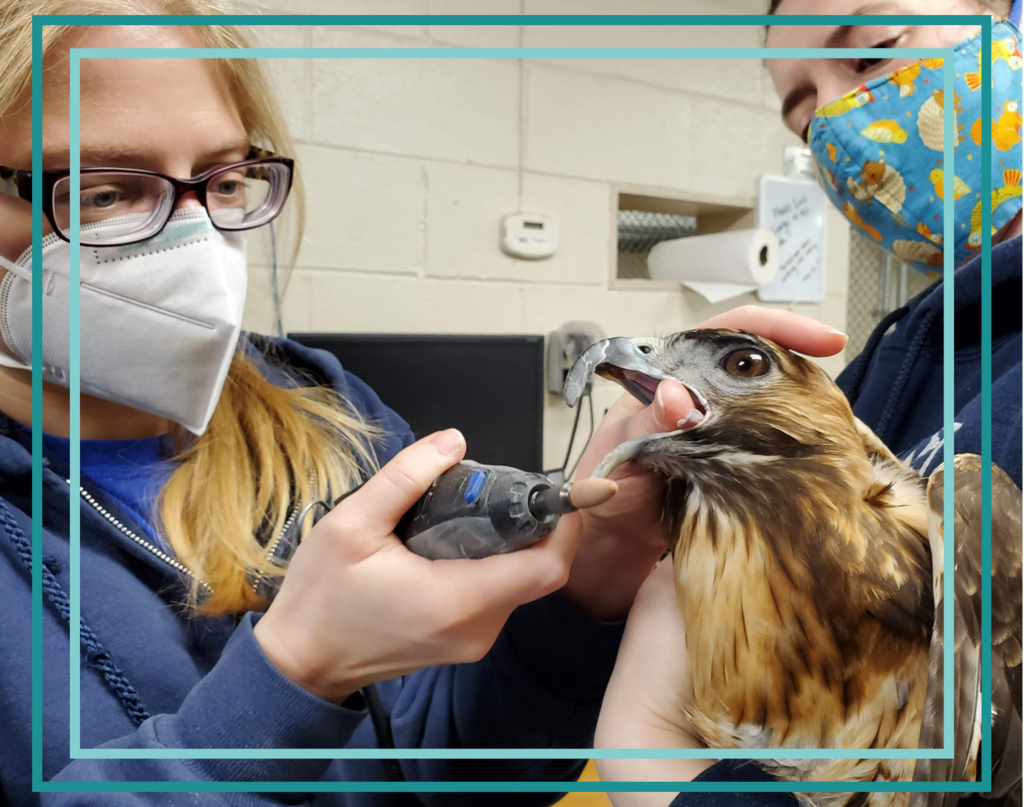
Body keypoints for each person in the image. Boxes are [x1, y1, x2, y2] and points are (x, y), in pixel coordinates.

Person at [596, 0, 1023, 804]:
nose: (835, 122)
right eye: (804, 121)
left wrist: (647, 756)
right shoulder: (889, 363)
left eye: (872, 51)